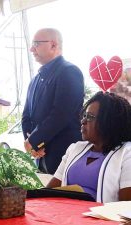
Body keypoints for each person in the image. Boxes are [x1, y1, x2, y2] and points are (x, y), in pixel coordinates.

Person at [47, 91, 131, 202]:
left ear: (109, 122)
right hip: (64, 216)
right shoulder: (74, 149)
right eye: (84, 116)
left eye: (90, 117)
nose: (83, 121)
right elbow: (48, 192)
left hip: (103, 218)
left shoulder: (127, 153)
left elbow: (126, 208)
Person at [22, 28, 84, 174]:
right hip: (40, 157)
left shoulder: (69, 71)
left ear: (53, 45)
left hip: (63, 155)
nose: (31, 49)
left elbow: (61, 114)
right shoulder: (35, 80)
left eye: (36, 44)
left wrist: (35, 141)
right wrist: (31, 143)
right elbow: (26, 116)